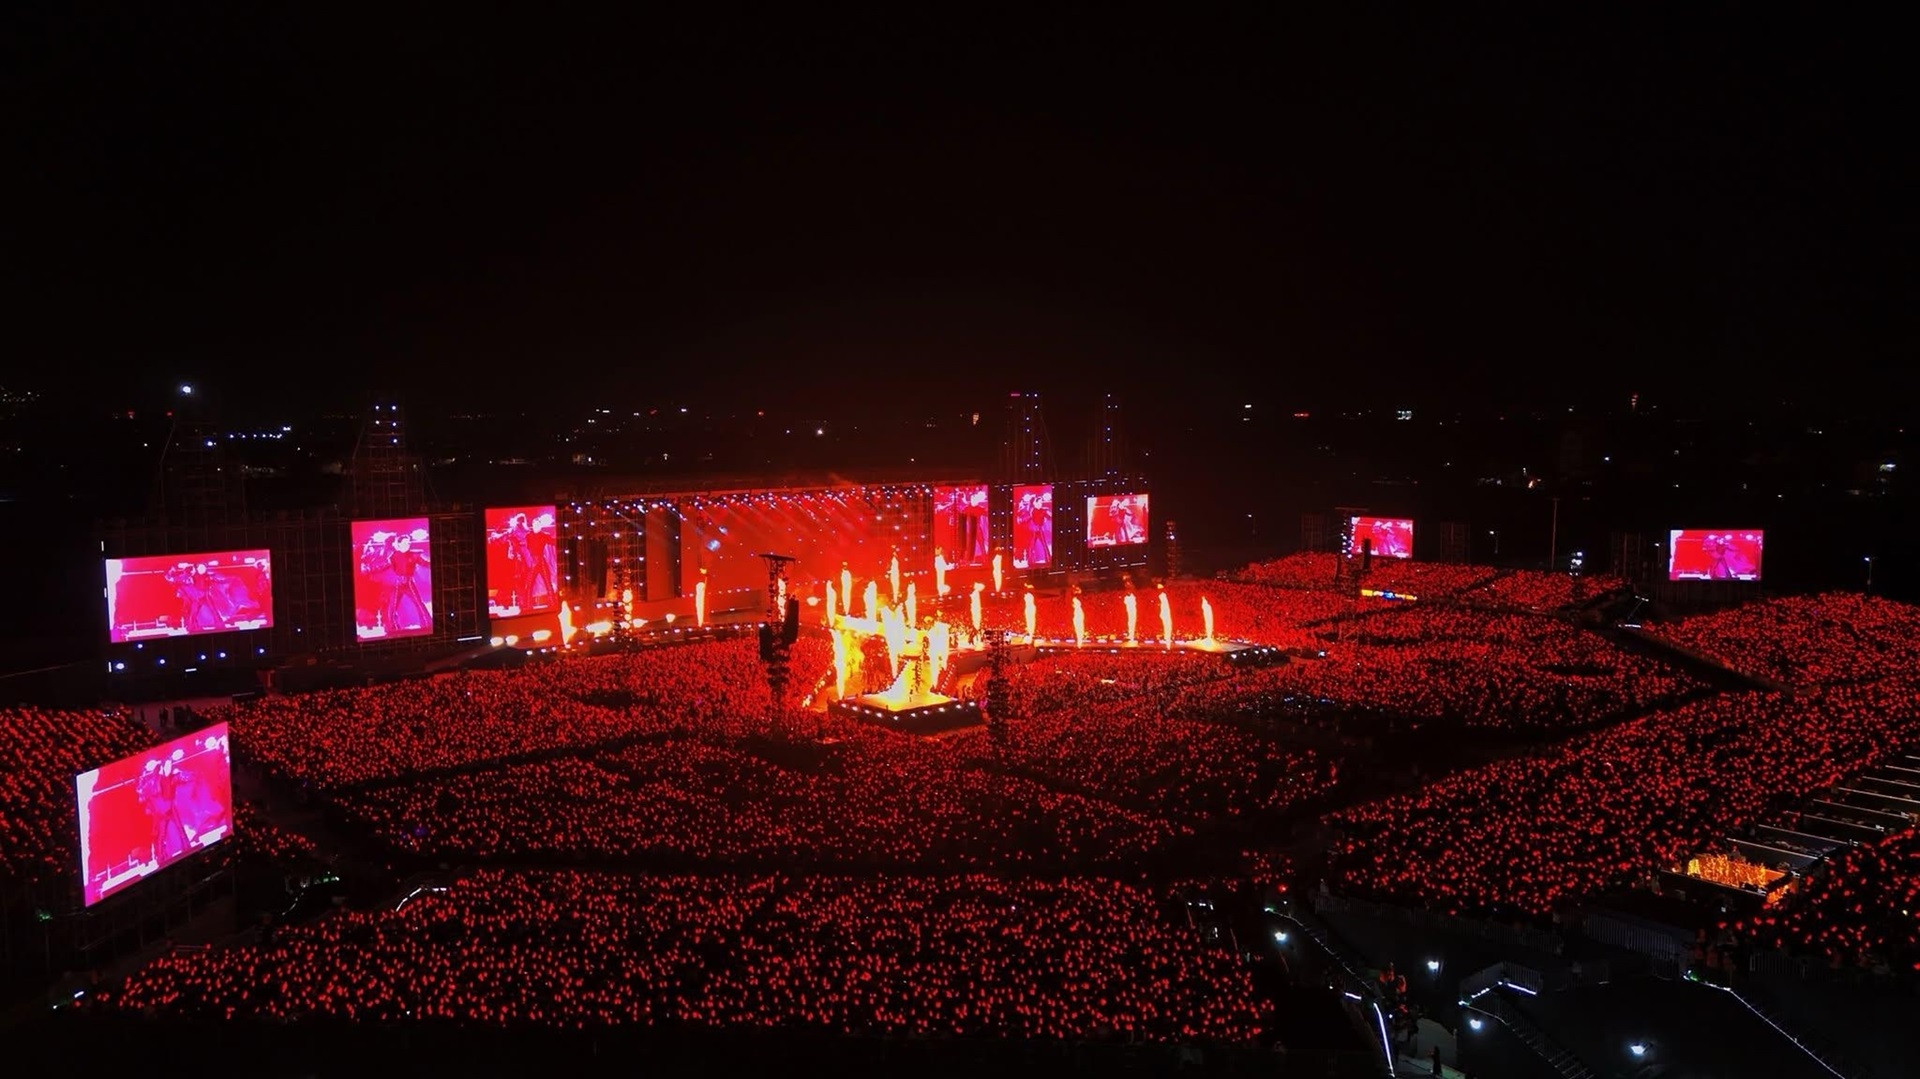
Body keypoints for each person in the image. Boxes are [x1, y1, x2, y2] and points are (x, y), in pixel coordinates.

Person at [386, 533, 431, 631]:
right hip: (397, 584)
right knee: (392, 606)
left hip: (409, 583)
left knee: (419, 603)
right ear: (399, 544)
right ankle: (393, 628)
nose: (408, 544)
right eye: (405, 543)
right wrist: (369, 569)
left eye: (408, 543)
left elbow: (424, 563)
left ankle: (427, 625)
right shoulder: (393, 556)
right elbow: (387, 567)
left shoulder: (414, 555)